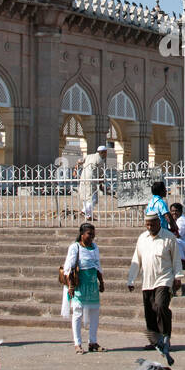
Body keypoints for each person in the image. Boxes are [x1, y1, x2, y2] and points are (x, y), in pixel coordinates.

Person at [127, 206, 182, 365]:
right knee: (150, 311)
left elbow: (176, 259)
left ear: (159, 222)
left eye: (153, 224)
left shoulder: (169, 237)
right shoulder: (142, 238)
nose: (150, 227)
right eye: (148, 225)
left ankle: (166, 337)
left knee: (160, 306)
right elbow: (136, 260)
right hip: (147, 280)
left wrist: (178, 276)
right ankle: (155, 340)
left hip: (164, 279)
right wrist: (131, 279)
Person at [61, 222, 105, 353]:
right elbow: (69, 268)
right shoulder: (75, 247)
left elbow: (97, 266)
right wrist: (70, 286)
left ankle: (93, 342)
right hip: (79, 284)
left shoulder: (95, 247)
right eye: (89, 234)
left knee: (94, 313)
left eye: (93, 234)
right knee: (78, 313)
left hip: (92, 284)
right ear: (82, 234)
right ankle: (77, 343)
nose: (91, 237)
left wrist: (101, 282)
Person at [79, 145, 107, 220]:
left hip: (83, 177)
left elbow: (80, 161)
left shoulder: (89, 156)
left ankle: (89, 216)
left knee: (85, 197)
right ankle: (84, 211)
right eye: (105, 153)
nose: (106, 154)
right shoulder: (100, 160)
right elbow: (100, 174)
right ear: (103, 152)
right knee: (92, 198)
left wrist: (77, 166)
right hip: (91, 179)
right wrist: (101, 184)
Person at [170, 202, 185, 269]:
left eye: (176, 211)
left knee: (175, 241)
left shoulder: (182, 221)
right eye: (172, 211)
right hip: (184, 247)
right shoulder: (174, 221)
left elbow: (177, 235)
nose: (174, 213)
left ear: (181, 211)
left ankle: (183, 263)